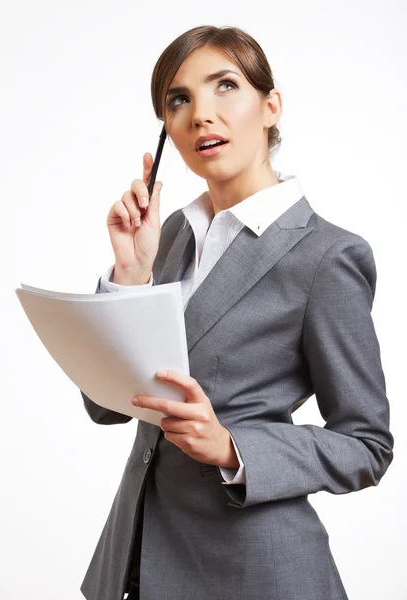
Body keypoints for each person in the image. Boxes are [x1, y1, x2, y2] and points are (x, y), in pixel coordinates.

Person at [79, 25, 394, 600]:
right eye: (180, 100)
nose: (201, 114)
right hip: (141, 560)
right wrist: (130, 274)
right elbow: (108, 409)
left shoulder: (328, 256)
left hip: (255, 571)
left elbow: (368, 445)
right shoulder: (171, 234)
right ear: (167, 129)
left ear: (270, 106)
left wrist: (232, 449)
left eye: (226, 86)